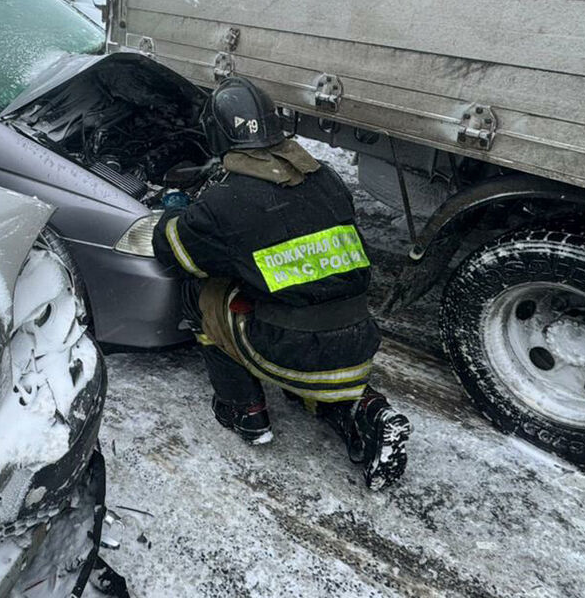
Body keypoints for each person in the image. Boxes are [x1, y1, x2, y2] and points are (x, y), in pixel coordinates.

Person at [152, 76, 412, 491]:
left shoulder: (226, 201)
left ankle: (245, 411)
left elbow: (175, 253)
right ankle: (366, 410)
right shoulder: (325, 178)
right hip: (358, 339)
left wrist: (176, 210)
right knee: (306, 332)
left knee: (201, 293)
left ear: (217, 135)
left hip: (292, 348)